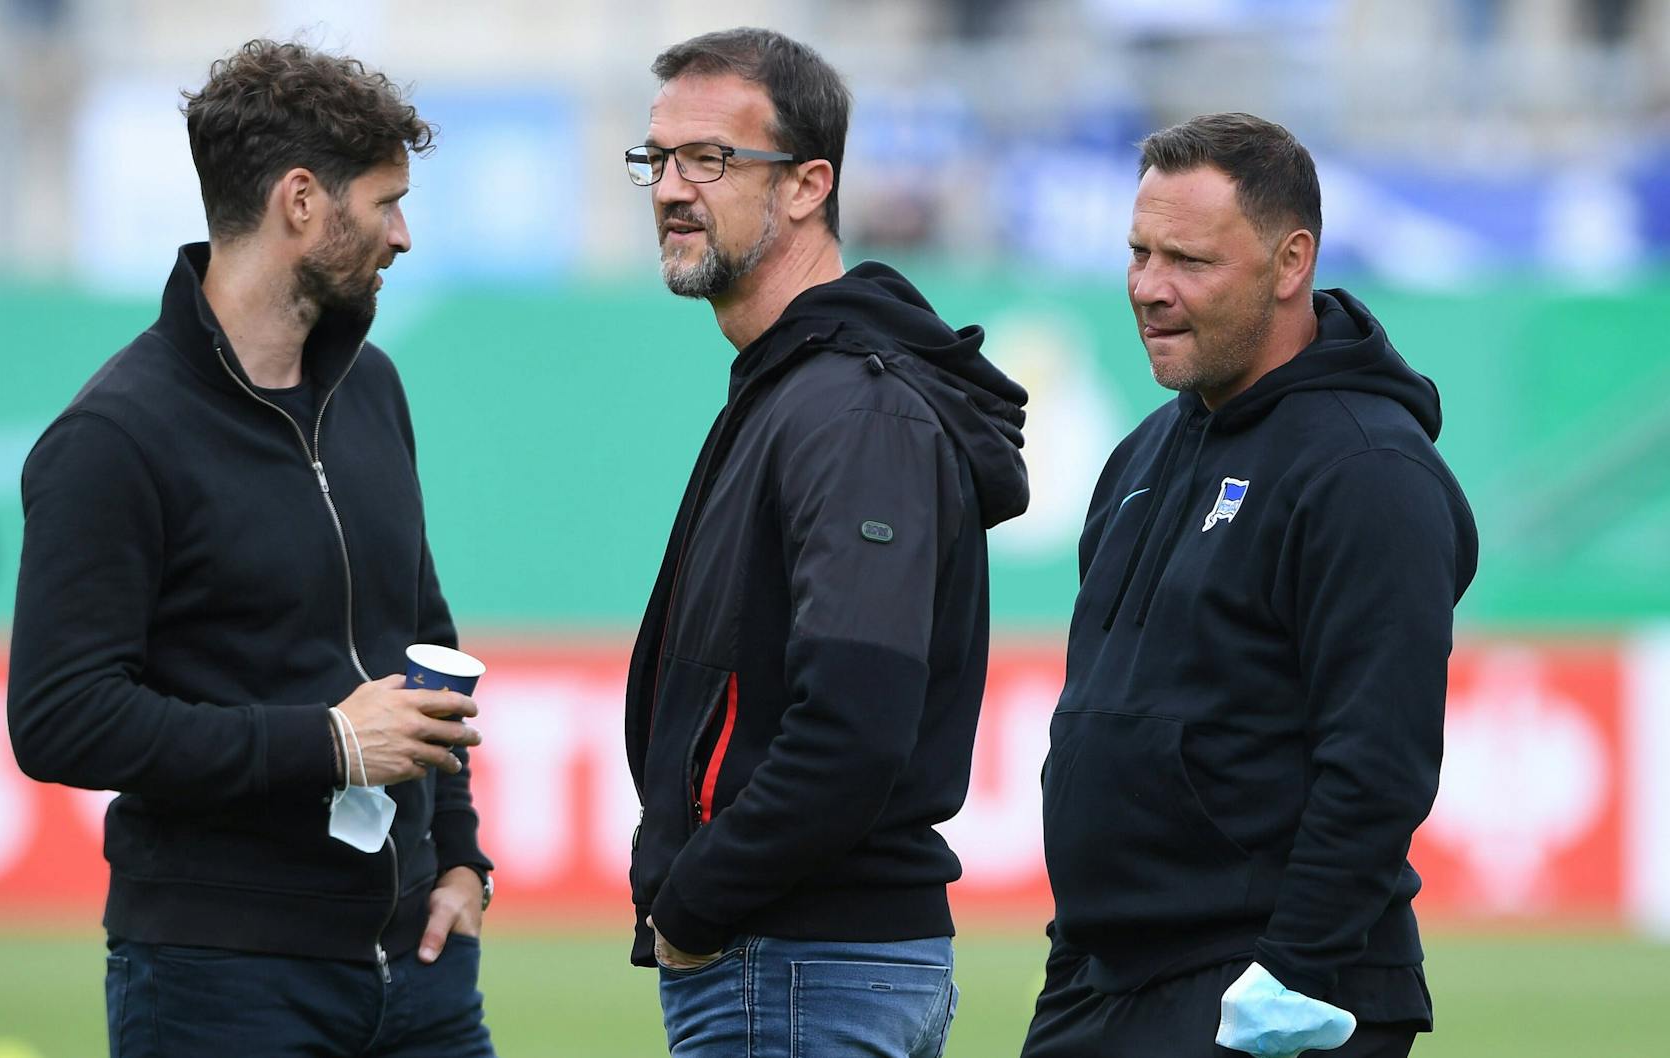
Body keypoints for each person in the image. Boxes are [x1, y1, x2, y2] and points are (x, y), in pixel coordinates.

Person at [6, 40, 496, 1058]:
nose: (402, 236)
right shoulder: (113, 437)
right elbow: (59, 718)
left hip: (422, 973)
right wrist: (325, 742)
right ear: (301, 201)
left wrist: (458, 856)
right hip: (219, 982)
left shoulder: (373, 388)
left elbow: (425, 638)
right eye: (386, 203)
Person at [1022, 113, 1478, 1058]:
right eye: (1139, 253)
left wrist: (1292, 979)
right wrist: (1074, 958)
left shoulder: (1367, 471)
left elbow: (1379, 763)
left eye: (1188, 260)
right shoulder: (1143, 451)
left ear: (1289, 262)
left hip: (1270, 992)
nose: (1149, 287)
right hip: (1103, 984)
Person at [620, 27, 1030, 1058]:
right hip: (801, 966)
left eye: (709, 159)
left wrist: (693, 903)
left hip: (799, 964)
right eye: (656, 159)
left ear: (809, 185)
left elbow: (852, 723)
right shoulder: (799, 386)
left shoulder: (852, 407)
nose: (670, 189)